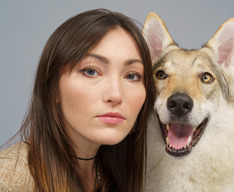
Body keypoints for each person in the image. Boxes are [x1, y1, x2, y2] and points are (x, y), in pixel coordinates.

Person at [0, 9, 155, 192]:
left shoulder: (114, 174)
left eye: (132, 76)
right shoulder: (8, 179)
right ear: (52, 88)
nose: (116, 95)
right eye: (91, 71)